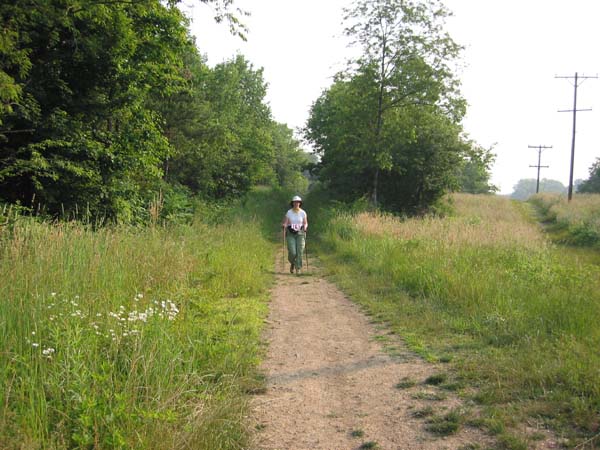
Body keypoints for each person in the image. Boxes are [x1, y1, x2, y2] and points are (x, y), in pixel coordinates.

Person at [282, 195, 308, 274]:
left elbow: (305, 223)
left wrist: (305, 227)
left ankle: (298, 268)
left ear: (300, 203)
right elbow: (286, 222)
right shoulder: (289, 212)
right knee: (293, 252)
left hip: (300, 233)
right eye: (295, 202)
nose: (296, 203)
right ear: (292, 203)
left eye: (298, 202)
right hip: (291, 234)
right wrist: (284, 225)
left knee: (300, 251)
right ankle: (293, 263)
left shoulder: (303, 212)